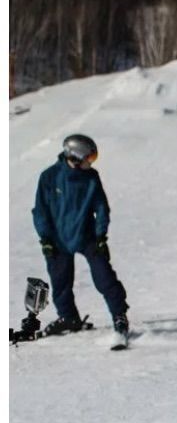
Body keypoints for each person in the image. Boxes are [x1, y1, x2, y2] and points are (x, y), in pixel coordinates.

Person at [32, 134, 130, 339]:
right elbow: (40, 211)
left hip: (87, 235)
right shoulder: (49, 177)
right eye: (89, 158)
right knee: (60, 281)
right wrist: (46, 239)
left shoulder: (91, 177)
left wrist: (101, 235)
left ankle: (119, 315)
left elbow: (101, 207)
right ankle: (69, 318)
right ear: (75, 157)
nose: (91, 162)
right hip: (57, 239)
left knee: (104, 276)